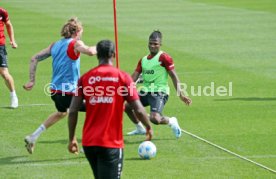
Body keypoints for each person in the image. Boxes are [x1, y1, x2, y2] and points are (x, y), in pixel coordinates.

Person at [68, 40, 153, 179]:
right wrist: (148, 127)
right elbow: (138, 108)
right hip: (110, 143)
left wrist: (72, 138)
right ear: (114, 54)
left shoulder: (85, 78)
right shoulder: (123, 77)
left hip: (89, 143)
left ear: (97, 55)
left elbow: (72, 111)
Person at [23, 17, 97, 154]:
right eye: (81, 32)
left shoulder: (54, 45)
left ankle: (33, 137)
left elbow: (34, 58)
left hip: (55, 92)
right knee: (98, 108)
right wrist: (102, 47)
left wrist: (31, 80)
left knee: (62, 112)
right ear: (77, 32)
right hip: (68, 93)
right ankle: (89, 145)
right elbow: (91, 52)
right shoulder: (75, 43)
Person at [125, 30, 192, 138]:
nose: (152, 46)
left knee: (155, 118)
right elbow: (134, 77)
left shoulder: (164, 58)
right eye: (150, 43)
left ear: (160, 44)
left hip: (159, 92)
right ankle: (140, 128)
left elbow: (174, 76)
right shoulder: (143, 60)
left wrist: (181, 94)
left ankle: (171, 121)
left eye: (155, 43)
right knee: (127, 107)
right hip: (145, 91)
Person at [0, 7, 18, 108]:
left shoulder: (2, 12)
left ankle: (13, 96)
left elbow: (8, 25)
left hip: (0, 46)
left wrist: (12, 40)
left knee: (4, 74)